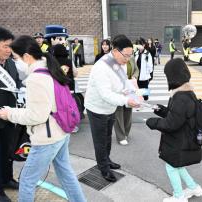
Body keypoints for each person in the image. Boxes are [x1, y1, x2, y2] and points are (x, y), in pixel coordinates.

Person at [0, 35, 86, 202]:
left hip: (46, 138)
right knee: (66, 173)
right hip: (61, 132)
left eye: (15, 58)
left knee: (26, 180)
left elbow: (36, 115)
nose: (15, 62)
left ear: (26, 57)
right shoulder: (50, 69)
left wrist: (9, 113)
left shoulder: (35, 79)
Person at [84, 34, 140, 182]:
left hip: (110, 108)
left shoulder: (116, 62)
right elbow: (106, 94)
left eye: (130, 55)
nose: (128, 59)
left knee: (108, 137)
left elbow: (121, 82)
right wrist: (127, 101)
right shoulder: (101, 67)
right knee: (100, 141)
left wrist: (132, 90)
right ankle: (103, 169)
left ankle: (106, 161)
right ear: (115, 51)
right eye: (126, 55)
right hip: (97, 109)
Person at [146, 58, 202, 202]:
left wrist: (153, 122)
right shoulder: (186, 93)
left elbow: (171, 124)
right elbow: (177, 116)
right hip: (183, 138)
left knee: (172, 167)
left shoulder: (180, 97)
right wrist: (161, 110)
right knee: (178, 165)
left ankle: (179, 196)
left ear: (173, 76)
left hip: (179, 140)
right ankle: (194, 188)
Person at [0, 27, 21, 202]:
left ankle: (7, 179)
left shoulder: (11, 63)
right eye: (5, 46)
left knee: (8, 152)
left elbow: (17, 83)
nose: (9, 50)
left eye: (10, 46)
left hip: (10, 116)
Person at [53, 44, 84, 129]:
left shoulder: (52, 61)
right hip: (69, 86)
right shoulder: (69, 61)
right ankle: (72, 124)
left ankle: (60, 123)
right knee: (70, 106)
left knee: (59, 106)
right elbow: (75, 73)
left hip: (57, 87)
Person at [114, 57, 139, 145]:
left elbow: (136, 69)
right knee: (119, 112)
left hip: (129, 87)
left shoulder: (131, 58)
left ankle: (126, 132)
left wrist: (134, 77)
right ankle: (120, 136)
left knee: (128, 111)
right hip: (118, 88)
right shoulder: (114, 59)